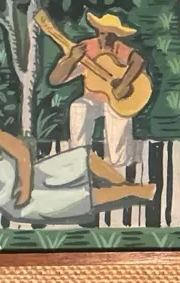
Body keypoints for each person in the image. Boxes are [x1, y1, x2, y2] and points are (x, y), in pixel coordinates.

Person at [0, 97, 154, 225]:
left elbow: (23, 154)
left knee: (84, 156)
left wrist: (25, 187)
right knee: (84, 195)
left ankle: (133, 188)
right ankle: (138, 190)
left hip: (33, 177)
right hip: (18, 204)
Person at [47, 12, 147, 168]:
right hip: (93, 99)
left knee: (119, 117)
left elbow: (138, 61)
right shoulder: (86, 48)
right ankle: (78, 159)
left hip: (116, 102)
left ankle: (119, 166)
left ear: (116, 35)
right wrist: (72, 59)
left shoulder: (120, 48)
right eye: (103, 33)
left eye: (110, 34)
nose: (106, 38)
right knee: (78, 107)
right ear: (97, 31)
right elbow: (54, 79)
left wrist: (124, 84)